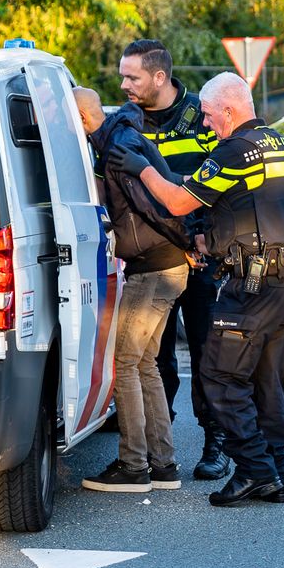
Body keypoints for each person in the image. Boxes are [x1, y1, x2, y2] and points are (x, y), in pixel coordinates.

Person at [107, 72, 284, 507]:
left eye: (207, 115)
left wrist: (142, 167)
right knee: (266, 379)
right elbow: (252, 205)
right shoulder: (281, 143)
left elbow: (179, 201)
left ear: (228, 109)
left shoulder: (234, 152)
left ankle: (256, 471)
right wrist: (211, 235)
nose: (204, 124)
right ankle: (276, 468)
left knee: (220, 376)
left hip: (255, 285)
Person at [118, 39, 230, 481]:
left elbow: (217, 184)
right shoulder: (127, 123)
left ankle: (216, 442)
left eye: (133, 77)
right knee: (155, 358)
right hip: (153, 259)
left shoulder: (201, 120)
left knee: (207, 354)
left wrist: (203, 238)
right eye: (123, 75)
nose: (124, 84)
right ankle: (154, 447)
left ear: (159, 78)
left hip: (201, 260)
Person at [72, 87, 192, 493]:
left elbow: (155, 206)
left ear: (84, 121)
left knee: (124, 363)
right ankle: (163, 464)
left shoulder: (119, 152)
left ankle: (133, 465)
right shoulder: (122, 137)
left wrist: (190, 242)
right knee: (146, 365)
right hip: (166, 267)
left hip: (154, 271)